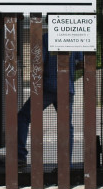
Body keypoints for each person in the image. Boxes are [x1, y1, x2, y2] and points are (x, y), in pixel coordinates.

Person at [17, 31, 83, 168]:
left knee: (23, 117)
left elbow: (39, 62)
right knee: (65, 125)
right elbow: (81, 63)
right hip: (67, 88)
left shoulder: (46, 38)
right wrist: (69, 69)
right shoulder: (73, 37)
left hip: (48, 87)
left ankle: (20, 156)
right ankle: (65, 164)